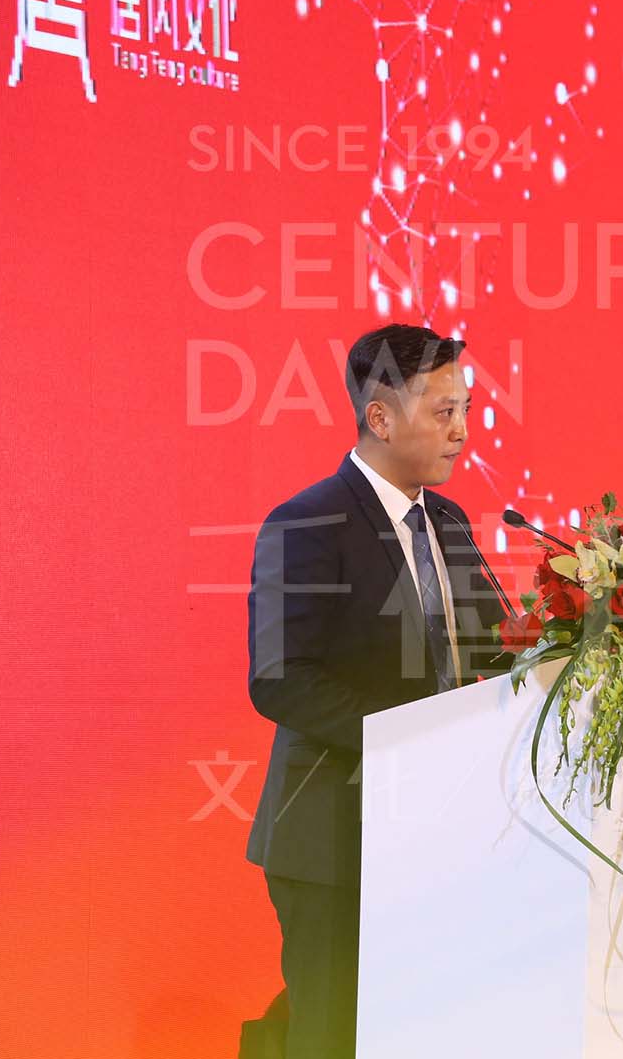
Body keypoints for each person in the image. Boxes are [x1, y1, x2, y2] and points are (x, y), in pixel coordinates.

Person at [242, 323, 512, 1058]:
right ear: (381, 417)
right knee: (331, 1036)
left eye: (465, 410)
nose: (462, 432)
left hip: (437, 833)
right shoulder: (307, 523)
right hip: (335, 836)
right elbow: (279, 678)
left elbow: (489, 648)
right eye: (444, 412)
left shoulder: (448, 522)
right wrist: (408, 742)